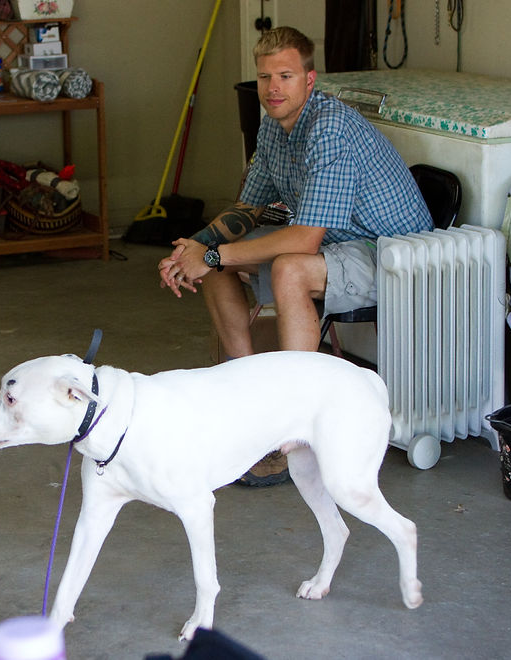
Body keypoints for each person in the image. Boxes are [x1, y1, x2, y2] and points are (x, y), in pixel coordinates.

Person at [157, 27, 432, 486]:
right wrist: (197, 246)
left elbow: (302, 240)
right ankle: (247, 401)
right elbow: (250, 208)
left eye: (285, 75)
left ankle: (292, 426)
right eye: (265, 77)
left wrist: (213, 255)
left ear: (309, 78)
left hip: (392, 254)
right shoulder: (272, 126)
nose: (273, 88)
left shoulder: (330, 127)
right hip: (333, 243)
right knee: (219, 266)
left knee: (287, 266)